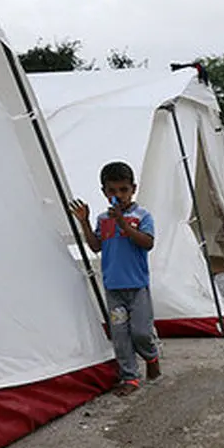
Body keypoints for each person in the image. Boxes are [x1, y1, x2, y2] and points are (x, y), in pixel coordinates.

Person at [70, 162, 161, 397]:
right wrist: (85, 222)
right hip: (113, 288)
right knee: (120, 335)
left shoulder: (142, 216)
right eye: (113, 191)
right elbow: (95, 246)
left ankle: (151, 355)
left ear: (133, 189)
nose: (118, 196)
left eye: (123, 190)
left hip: (137, 286)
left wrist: (123, 223)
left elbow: (147, 243)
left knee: (141, 331)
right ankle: (129, 376)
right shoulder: (103, 219)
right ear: (104, 192)